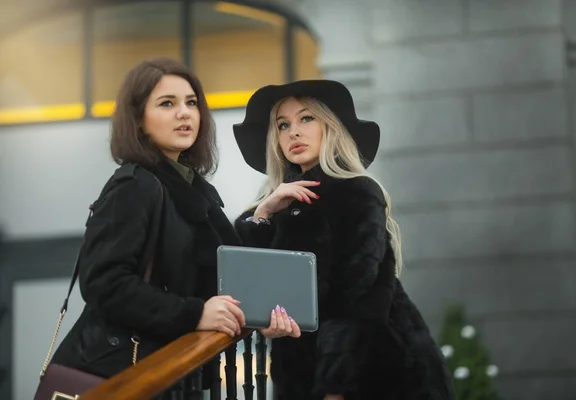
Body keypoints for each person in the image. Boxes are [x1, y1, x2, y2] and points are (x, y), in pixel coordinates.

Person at [233, 80, 454, 400]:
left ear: (330, 127)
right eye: (283, 125)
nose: (293, 131)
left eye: (307, 118)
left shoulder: (356, 192)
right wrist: (264, 213)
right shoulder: (277, 206)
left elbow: (355, 300)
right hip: (303, 370)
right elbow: (250, 285)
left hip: (375, 372)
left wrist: (335, 387)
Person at [50, 58, 249, 385]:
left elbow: (224, 268)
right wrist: (193, 313)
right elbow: (105, 284)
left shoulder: (192, 189)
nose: (184, 113)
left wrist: (263, 215)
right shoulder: (135, 185)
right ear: (139, 120)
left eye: (191, 103)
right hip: (126, 374)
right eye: (167, 103)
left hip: (175, 372)